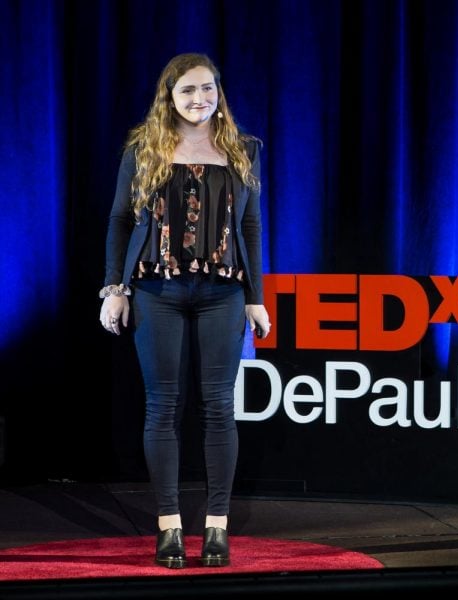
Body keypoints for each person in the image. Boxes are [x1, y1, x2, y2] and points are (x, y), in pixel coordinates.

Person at [99, 53, 270, 568]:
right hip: (156, 292)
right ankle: (169, 526)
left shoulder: (243, 149)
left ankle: (216, 527)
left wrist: (256, 298)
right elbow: (120, 221)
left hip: (223, 293)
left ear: (220, 91)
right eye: (188, 91)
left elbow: (251, 227)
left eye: (208, 89)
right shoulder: (143, 148)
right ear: (168, 97)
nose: (200, 99)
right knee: (163, 407)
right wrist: (114, 288)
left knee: (219, 406)